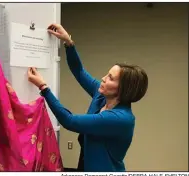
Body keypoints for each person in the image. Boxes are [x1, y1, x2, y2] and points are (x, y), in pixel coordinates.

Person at [27, 23, 148, 172]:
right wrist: (68, 42)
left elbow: (69, 120)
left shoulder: (121, 118)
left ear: (122, 89)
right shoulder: (102, 96)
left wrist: (44, 88)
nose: (103, 78)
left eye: (110, 78)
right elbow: (79, 72)